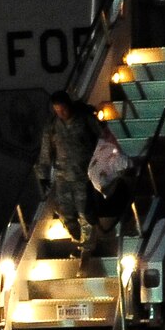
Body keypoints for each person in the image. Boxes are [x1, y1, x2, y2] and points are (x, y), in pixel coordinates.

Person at [35, 89, 102, 248]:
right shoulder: (52, 126)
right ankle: (77, 237)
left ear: (69, 105)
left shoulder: (85, 120)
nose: (61, 113)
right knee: (65, 212)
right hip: (62, 176)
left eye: (63, 109)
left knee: (84, 209)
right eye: (57, 110)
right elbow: (46, 151)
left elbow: (103, 138)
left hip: (84, 173)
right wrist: (42, 175)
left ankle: (90, 239)